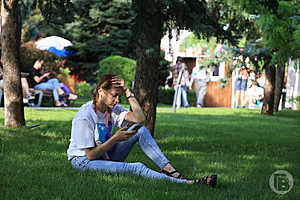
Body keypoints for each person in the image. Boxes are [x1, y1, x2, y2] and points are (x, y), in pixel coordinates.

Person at [67, 74, 217, 187]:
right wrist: (115, 139)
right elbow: (91, 155)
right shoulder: (85, 117)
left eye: (119, 96)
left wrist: (127, 91)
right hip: (84, 161)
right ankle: (188, 183)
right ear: (101, 91)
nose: (117, 100)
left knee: (140, 129)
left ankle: (167, 168)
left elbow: (140, 119)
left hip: (104, 155)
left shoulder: (111, 109)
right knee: (137, 167)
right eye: (114, 95)